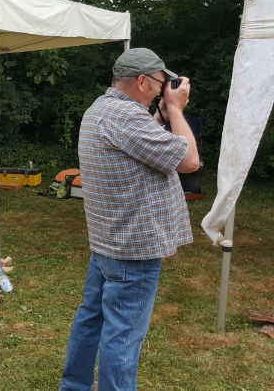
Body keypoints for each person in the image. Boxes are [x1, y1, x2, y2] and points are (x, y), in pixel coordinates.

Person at [60, 48, 199, 390]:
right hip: (134, 250)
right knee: (123, 335)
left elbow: (140, 143)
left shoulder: (101, 110)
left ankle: (74, 386)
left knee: (91, 320)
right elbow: (190, 161)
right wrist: (178, 111)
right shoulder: (126, 117)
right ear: (142, 80)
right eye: (161, 83)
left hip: (109, 242)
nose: (163, 89)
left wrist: (164, 116)